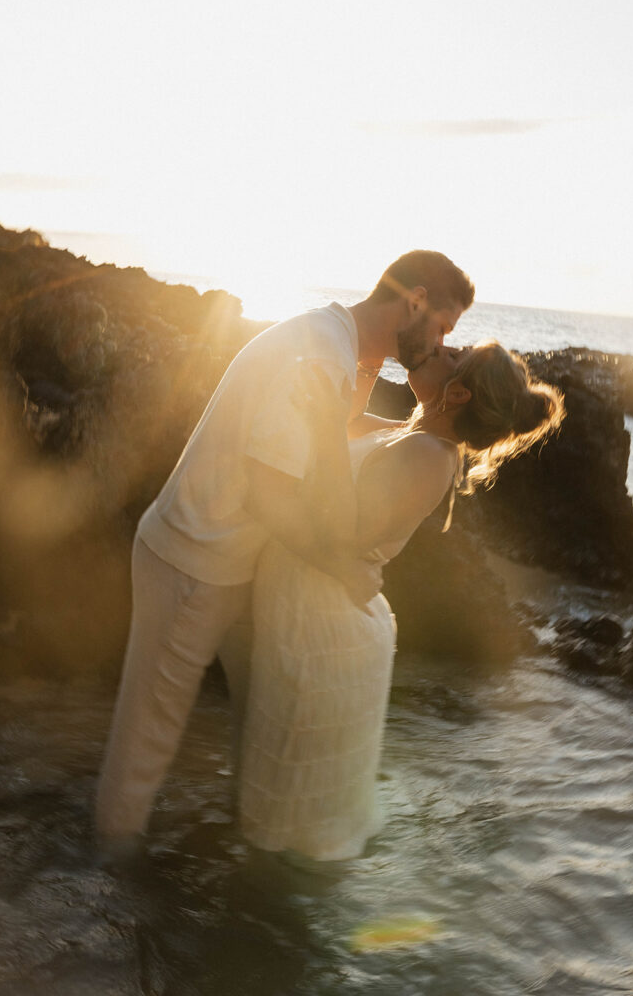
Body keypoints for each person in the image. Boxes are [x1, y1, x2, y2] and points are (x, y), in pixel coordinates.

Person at [95, 250, 475, 842]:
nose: (440, 341)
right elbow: (270, 496)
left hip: (239, 569)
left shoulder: (349, 350)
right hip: (192, 558)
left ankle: (241, 882)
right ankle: (106, 887)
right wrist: (342, 568)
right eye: (443, 326)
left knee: (265, 736)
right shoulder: (320, 355)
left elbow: (336, 427)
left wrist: (426, 434)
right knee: (146, 743)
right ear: (415, 300)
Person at [238, 341, 565, 860]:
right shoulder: (412, 435)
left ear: (456, 392)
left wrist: (325, 425)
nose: (442, 348)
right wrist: (371, 355)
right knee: (281, 812)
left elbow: (344, 532)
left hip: (328, 625)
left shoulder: (429, 457)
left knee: (302, 838)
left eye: (453, 355)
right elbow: (342, 429)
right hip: (311, 605)